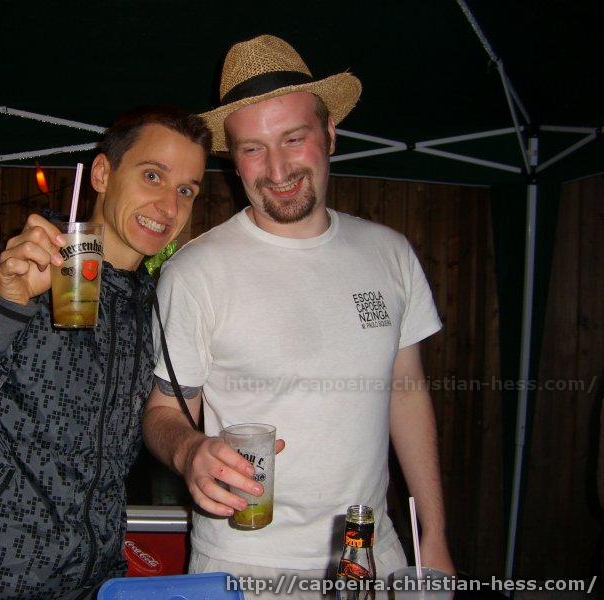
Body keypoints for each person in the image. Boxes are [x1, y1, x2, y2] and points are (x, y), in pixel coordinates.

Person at [143, 35, 454, 597]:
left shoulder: (390, 254)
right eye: (253, 148)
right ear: (233, 159)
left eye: (293, 138)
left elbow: (407, 393)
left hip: (371, 551)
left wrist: (433, 535)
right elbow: (163, 411)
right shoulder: (194, 272)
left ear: (329, 133)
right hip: (244, 562)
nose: (277, 168)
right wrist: (189, 452)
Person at [0, 106, 210, 599]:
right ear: (102, 174)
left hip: (85, 587)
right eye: (153, 175)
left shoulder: (151, 308)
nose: (167, 205)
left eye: (186, 190)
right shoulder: (5, 275)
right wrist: (2, 306)